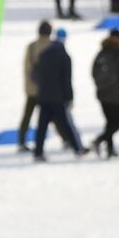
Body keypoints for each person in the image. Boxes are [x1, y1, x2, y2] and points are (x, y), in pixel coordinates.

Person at [32, 28, 87, 161]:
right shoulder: (65, 57)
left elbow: (35, 75)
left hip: (44, 96)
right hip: (58, 98)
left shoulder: (44, 54)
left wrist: (42, 88)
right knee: (66, 125)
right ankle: (77, 148)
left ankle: (38, 153)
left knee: (42, 127)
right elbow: (66, 80)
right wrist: (69, 98)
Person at [90, 28, 119, 158]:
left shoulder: (102, 52)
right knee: (118, 122)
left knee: (109, 121)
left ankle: (110, 148)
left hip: (101, 93)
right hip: (115, 94)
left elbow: (93, 72)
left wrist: (100, 86)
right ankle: (98, 141)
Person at [18, 21, 56, 152]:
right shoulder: (53, 46)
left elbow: (27, 68)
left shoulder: (32, 46)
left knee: (27, 116)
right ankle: (66, 139)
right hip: (48, 90)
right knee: (55, 116)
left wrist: (29, 85)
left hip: (32, 89)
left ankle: (21, 141)